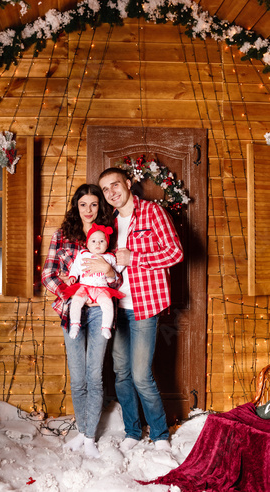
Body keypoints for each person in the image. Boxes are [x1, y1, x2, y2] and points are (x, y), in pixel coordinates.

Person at [98, 167, 184, 455]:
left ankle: (160, 435)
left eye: (115, 185)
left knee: (140, 374)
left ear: (128, 183)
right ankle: (133, 432)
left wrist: (135, 257)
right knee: (120, 372)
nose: (111, 192)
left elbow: (175, 253)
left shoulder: (152, 213)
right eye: (105, 189)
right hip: (115, 306)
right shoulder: (108, 221)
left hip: (145, 305)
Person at [41, 184, 122, 459]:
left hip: (101, 309)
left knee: (94, 375)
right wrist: (74, 291)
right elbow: (48, 276)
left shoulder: (107, 237)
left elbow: (118, 278)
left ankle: (89, 437)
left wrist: (109, 270)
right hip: (71, 310)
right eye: (83, 204)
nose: (89, 210)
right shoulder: (61, 236)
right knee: (77, 378)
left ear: (101, 207)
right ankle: (82, 431)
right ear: (76, 207)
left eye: (94, 205)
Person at [65, 223, 125, 340]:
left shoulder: (109, 257)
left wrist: (111, 276)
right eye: (93, 241)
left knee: (108, 304)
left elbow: (117, 270)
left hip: (101, 288)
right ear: (87, 244)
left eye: (102, 241)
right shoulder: (83, 254)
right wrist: (72, 276)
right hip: (85, 286)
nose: (97, 244)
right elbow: (76, 267)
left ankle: (106, 327)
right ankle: (75, 324)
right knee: (76, 301)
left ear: (107, 244)